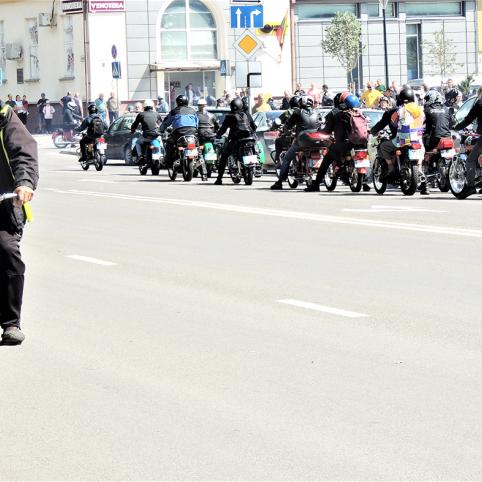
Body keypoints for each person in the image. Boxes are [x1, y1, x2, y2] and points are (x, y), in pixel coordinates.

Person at [0, 98, 39, 345]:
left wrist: (24, 183)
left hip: (3, 205)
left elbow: (23, 152)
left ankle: (11, 323)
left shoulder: (4, 116)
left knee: (6, 250)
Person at [306, 92, 370, 192]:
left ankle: (316, 184)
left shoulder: (335, 113)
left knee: (327, 159)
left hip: (343, 143)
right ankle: (364, 182)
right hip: (361, 142)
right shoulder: (360, 112)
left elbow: (326, 130)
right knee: (362, 158)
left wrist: (321, 132)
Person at [370, 86, 428, 194]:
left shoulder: (399, 111)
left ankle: (391, 167)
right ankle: (419, 168)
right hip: (417, 139)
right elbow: (424, 122)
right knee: (421, 150)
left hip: (402, 140)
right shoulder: (420, 110)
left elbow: (393, 123)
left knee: (383, 147)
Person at [270, 95, 320, 190]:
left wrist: (284, 130)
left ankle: (280, 182)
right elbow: (321, 124)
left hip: (302, 141)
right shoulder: (317, 112)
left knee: (286, 158)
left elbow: (288, 125)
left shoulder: (297, 112)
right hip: (317, 141)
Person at [213, 97, 257, 185]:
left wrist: (218, 135)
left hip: (236, 141)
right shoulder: (246, 114)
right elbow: (254, 127)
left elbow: (223, 129)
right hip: (250, 139)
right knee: (256, 151)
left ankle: (219, 178)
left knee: (224, 156)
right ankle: (257, 165)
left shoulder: (230, 116)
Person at [453, 87, 482, 198]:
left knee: (470, 160)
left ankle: (471, 187)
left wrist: (456, 128)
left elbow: (468, 119)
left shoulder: (479, 103)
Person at [159, 94, 199, 167]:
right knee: (197, 145)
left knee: (169, 142)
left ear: (177, 102)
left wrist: (160, 130)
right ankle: (199, 159)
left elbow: (166, 122)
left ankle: (168, 160)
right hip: (192, 133)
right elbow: (197, 122)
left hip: (178, 133)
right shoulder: (193, 111)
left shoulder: (174, 111)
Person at [273, 95, 302, 163]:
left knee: (278, 141)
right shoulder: (304, 111)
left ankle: (278, 160)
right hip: (304, 137)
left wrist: (273, 127)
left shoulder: (289, 112)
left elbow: (286, 124)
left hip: (293, 137)